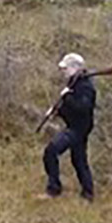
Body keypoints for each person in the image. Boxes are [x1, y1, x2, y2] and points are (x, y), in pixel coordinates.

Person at [40, 52, 96, 201]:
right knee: (79, 160)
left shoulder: (85, 86)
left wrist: (67, 97)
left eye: (66, 68)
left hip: (79, 129)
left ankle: (54, 190)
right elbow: (71, 108)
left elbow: (83, 108)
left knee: (51, 151)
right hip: (76, 126)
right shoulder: (74, 82)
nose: (63, 71)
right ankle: (88, 194)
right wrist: (57, 111)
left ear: (75, 67)